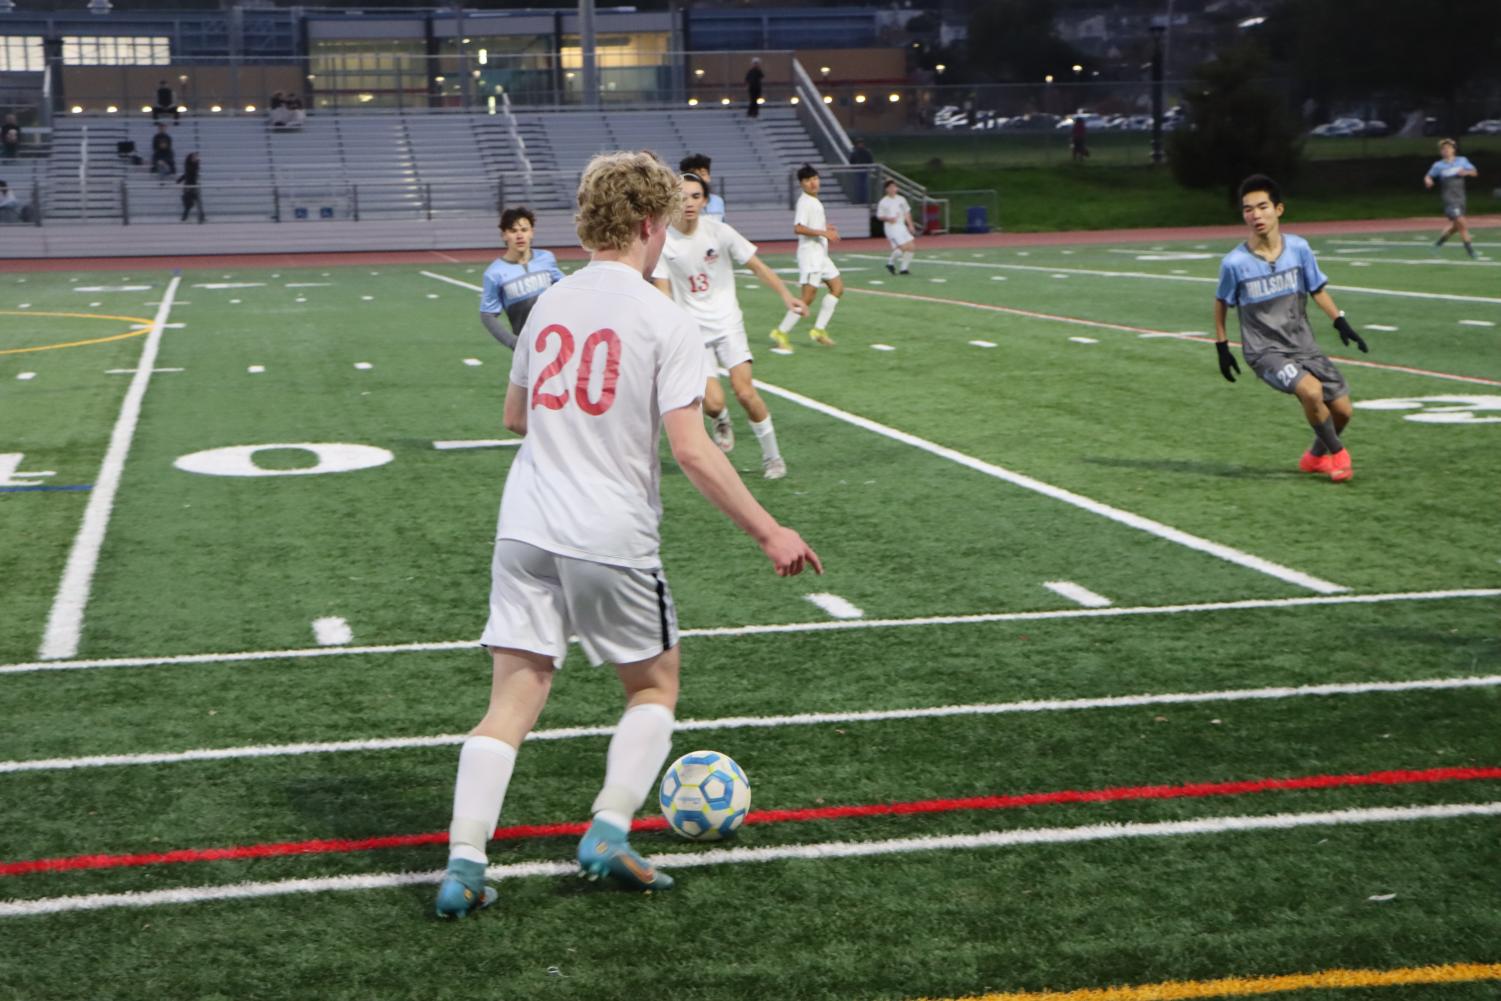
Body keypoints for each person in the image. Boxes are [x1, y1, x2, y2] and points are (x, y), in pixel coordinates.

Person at [434, 150, 821, 919]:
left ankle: (464, 863)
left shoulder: (546, 303)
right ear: (649, 224)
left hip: (524, 527)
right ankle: (608, 832)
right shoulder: (662, 318)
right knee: (652, 685)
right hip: (605, 531)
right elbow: (691, 449)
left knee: (511, 699)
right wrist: (768, 529)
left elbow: (514, 419)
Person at [1213, 174, 1371, 483]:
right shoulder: (1234, 263)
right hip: (1265, 352)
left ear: (1279, 209)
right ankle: (1339, 454)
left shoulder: (1299, 249)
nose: (1255, 215)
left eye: (1262, 207)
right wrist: (1222, 346)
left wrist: (1340, 321)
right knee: (1310, 391)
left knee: (1343, 411)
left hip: (1304, 345)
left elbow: (1317, 289)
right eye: (1248, 209)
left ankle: (1313, 457)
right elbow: (1221, 302)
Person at [651, 172, 807, 479]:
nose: (689, 202)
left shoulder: (720, 232)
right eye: (682, 196)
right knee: (712, 403)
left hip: (728, 324)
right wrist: (667, 327)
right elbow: (662, 289)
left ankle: (773, 457)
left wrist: (787, 296)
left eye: (696, 196)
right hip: (692, 331)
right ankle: (720, 418)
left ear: (705, 200)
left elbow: (757, 266)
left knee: (745, 392)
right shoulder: (664, 242)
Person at [770, 164, 842, 348]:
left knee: (837, 287)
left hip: (821, 255)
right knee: (807, 299)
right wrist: (823, 233)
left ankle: (818, 330)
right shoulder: (804, 202)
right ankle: (781, 332)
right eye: (808, 180)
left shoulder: (814, 201)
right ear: (801, 184)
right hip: (810, 256)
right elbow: (798, 228)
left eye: (815, 179)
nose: (813, 183)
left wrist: (826, 229)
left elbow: (812, 226)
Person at [479, 206, 565, 349]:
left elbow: (567, 287)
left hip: (558, 339)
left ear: (532, 233)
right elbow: (487, 315)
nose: (519, 236)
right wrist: (513, 342)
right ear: (504, 235)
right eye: (513, 231)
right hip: (528, 349)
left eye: (524, 230)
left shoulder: (546, 258)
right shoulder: (494, 273)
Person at [1424, 139, 1479, 259]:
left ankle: (1437, 245)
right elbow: (1428, 175)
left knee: (1456, 227)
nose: (1446, 150)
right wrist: (1428, 180)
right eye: (1443, 149)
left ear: (1454, 149)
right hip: (1449, 199)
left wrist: (1466, 172)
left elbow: (1474, 172)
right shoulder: (1438, 165)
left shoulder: (1462, 161)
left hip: (1461, 198)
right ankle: (1471, 252)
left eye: (1448, 148)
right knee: (1462, 223)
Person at [876, 178, 916, 275]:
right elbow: (879, 216)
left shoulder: (901, 199)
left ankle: (904, 269)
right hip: (891, 228)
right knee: (903, 247)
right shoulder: (883, 202)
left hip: (901, 226)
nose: (893, 189)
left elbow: (907, 212)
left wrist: (910, 225)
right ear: (887, 189)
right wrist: (889, 219)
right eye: (890, 187)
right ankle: (890, 262)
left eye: (894, 186)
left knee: (911, 247)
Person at [678, 154, 725, 221]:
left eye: (703, 174)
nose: (700, 179)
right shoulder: (676, 203)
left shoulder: (718, 201)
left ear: (709, 177)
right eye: (695, 175)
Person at [177, 152, 203, 223]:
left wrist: (179, 180)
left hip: (193, 186)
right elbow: (191, 172)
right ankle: (185, 217)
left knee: (197, 202)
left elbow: (188, 174)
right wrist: (197, 163)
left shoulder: (192, 166)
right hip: (189, 187)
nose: (195, 159)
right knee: (189, 204)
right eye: (194, 157)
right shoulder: (190, 166)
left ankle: (201, 217)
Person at [848, 137, 875, 206]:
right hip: (857, 171)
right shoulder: (855, 152)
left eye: (861, 144)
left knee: (864, 187)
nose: (860, 145)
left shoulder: (866, 152)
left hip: (865, 171)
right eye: (859, 144)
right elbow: (851, 161)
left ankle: (864, 201)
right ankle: (858, 200)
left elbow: (870, 161)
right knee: (858, 186)